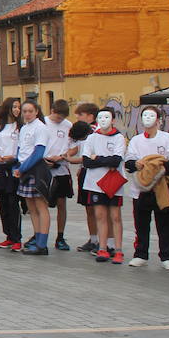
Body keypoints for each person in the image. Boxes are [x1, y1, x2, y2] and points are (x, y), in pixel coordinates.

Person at [124, 105, 169, 269]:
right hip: (141, 188)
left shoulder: (167, 138)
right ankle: (141, 254)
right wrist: (136, 164)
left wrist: (160, 168)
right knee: (141, 223)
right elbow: (129, 162)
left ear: (159, 120)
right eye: (144, 116)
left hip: (161, 187)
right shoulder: (136, 140)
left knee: (165, 223)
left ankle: (166, 256)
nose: (147, 119)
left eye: (151, 116)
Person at [80, 108, 127, 264]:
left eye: (107, 117)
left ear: (113, 120)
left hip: (113, 183)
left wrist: (97, 158)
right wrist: (104, 161)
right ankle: (102, 247)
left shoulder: (119, 138)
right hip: (95, 183)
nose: (104, 120)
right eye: (101, 117)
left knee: (115, 216)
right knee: (100, 215)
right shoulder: (91, 138)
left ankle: (118, 249)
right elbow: (86, 162)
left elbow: (116, 160)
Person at [13, 99, 52, 255]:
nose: (27, 114)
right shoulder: (24, 128)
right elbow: (21, 149)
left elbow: (38, 152)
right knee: (31, 207)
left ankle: (42, 243)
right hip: (24, 169)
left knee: (41, 206)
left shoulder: (41, 128)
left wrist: (23, 168)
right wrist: (16, 166)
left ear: (36, 112)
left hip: (35, 169)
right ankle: (36, 237)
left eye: (30, 111)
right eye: (25, 111)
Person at [42, 99, 74, 251]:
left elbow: (74, 147)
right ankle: (40, 235)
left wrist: (61, 156)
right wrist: (43, 159)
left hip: (61, 168)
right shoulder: (42, 123)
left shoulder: (68, 126)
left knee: (62, 204)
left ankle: (60, 237)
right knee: (41, 204)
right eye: (58, 117)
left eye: (62, 118)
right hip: (44, 168)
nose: (60, 120)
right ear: (52, 111)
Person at [0, 99, 21, 251]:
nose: (16, 110)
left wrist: (14, 158)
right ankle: (8, 235)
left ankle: (16, 237)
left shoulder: (20, 128)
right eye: (14, 107)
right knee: (3, 204)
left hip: (13, 169)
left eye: (18, 107)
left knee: (13, 203)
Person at [69, 103, 101, 253]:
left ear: (90, 116)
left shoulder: (97, 132)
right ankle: (93, 239)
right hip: (84, 173)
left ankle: (105, 240)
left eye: (80, 115)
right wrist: (66, 154)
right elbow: (77, 148)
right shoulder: (82, 133)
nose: (77, 118)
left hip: (94, 173)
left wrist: (69, 160)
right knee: (88, 208)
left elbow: (86, 157)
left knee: (99, 208)